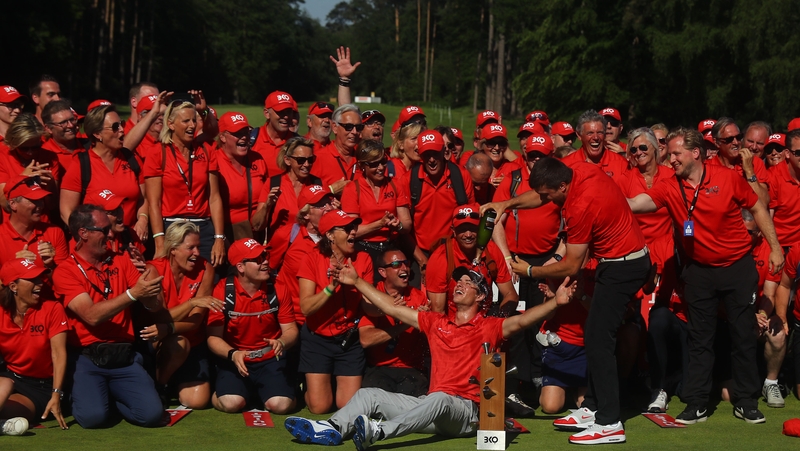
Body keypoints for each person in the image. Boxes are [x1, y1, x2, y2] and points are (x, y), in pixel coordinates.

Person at [284, 266, 576, 449]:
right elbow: (393, 309)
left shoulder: (491, 326)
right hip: (431, 408)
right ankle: (332, 429)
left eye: (468, 282)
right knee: (368, 395)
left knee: (439, 398)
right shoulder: (437, 322)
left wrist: (555, 303)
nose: (458, 284)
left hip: (466, 413)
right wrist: (357, 280)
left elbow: (524, 321)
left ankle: (379, 432)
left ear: (481, 297)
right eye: (457, 280)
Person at [481, 156, 650, 444]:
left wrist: (531, 271)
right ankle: (595, 408)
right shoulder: (577, 171)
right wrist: (505, 204)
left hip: (624, 267)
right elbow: (541, 193)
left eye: (549, 195)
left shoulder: (579, 206)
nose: (545, 199)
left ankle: (610, 423)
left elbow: (571, 265)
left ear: (561, 186)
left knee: (599, 338)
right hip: (619, 260)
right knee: (596, 337)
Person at [626, 127, 783, 425]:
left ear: (694, 153)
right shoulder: (670, 186)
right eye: (668, 154)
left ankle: (747, 402)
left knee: (743, 337)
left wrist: (774, 246)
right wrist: (611, 199)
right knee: (699, 339)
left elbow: (757, 208)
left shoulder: (726, 177)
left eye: (675, 153)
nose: (669, 159)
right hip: (698, 271)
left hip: (737, 268)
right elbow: (639, 204)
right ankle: (696, 403)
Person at [53, 205, 166, 428]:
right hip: (87, 356)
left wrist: (149, 279)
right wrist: (133, 294)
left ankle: (114, 396)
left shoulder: (121, 259)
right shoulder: (66, 270)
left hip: (123, 355)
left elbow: (153, 307)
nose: (111, 234)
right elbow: (91, 316)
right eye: (104, 230)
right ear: (83, 233)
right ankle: (101, 397)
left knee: (152, 416)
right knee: (93, 419)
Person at [491, 132, 562, 403]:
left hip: (546, 260)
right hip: (515, 259)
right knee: (514, 321)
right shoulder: (512, 180)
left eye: (540, 156)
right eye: (531, 155)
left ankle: (541, 376)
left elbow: (568, 226)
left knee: (542, 321)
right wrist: (507, 259)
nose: (534, 160)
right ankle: (517, 382)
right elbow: (496, 217)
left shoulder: (558, 184)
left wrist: (555, 259)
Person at [207, 238, 298, 414]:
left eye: (265, 256)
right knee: (231, 403)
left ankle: (271, 391)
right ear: (240, 267)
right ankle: (227, 391)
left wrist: (282, 342)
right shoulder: (223, 290)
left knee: (281, 406)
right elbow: (213, 337)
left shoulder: (278, 287)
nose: (265, 262)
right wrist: (233, 354)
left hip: (271, 359)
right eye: (257, 259)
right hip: (236, 360)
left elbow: (291, 330)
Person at [297, 210, 373, 414]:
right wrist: (332, 286)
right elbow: (305, 307)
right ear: (329, 235)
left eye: (354, 227)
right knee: (319, 407)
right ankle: (312, 389)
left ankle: (326, 383)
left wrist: (359, 284)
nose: (353, 232)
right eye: (347, 229)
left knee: (347, 407)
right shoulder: (311, 259)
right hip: (317, 338)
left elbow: (368, 306)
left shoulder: (363, 259)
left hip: (348, 339)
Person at [60, 100, 163, 242]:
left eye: (121, 124)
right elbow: (67, 211)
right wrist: (90, 237)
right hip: (96, 244)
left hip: (131, 242)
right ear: (97, 134)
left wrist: (143, 220)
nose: (121, 130)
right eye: (115, 127)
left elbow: (142, 199)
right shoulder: (81, 164)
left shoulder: (131, 159)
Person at [145, 221, 220, 409]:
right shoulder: (153, 269)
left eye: (198, 247)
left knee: (197, 401)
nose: (196, 253)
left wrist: (168, 327)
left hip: (192, 341)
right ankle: (160, 384)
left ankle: (168, 381)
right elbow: (159, 318)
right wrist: (192, 302)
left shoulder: (205, 268)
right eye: (190, 248)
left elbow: (196, 321)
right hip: (159, 340)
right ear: (173, 249)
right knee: (178, 343)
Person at [144, 95, 226, 266]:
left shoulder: (206, 150)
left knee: (208, 277)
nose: (192, 126)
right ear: (171, 124)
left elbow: (214, 197)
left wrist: (219, 238)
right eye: (186, 121)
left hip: (202, 227)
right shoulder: (157, 152)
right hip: (172, 227)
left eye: (194, 120)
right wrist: (159, 242)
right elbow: (154, 203)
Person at [0, 258, 69, 432]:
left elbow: (58, 354)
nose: (40, 283)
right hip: (11, 377)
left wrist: (56, 394)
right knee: (5, 384)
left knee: (13, 413)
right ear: (13, 287)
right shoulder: (2, 311)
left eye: (39, 278)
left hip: (40, 388)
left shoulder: (52, 308)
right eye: (32, 279)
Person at [358, 248, 430, 397]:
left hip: (411, 368)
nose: (405, 268)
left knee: (416, 405)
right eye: (397, 264)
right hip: (380, 368)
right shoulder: (374, 296)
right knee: (374, 403)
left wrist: (426, 320)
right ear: (383, 272)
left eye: (406, 263)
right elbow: (366, 339)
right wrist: (408, 321)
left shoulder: (418, 297)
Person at [403, 130, 474, 273]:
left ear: (444, 151)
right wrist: (421, 259)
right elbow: (402, 229)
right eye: (427, 154)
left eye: (435, 153)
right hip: (419, 254)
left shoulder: (460, 176)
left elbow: (470, 217)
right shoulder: (409, 180)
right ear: (420, 155)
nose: (431, 159)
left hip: (453, 252)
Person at [425, 203, 517, 314]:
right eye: (462, 229)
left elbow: (511, 295)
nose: (468, 234)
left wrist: (498, 320)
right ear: (453, 230)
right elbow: (438, 313)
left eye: (473, 228)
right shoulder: (440, 258)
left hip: (485, 321)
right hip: (454, 324)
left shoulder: (491, 250)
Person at [341, 139, 411, 275]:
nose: (380, 168)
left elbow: (407, 224)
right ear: (362, 166)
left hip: (390, 247)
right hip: (363, 249)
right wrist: (380, 224)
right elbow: (350, 231)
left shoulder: (395, 184)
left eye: (383, 162)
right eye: (374, 164)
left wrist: (398, 226)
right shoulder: (352, 189)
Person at [263, 137, 322, 271]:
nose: (306, 164)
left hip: (310, 253)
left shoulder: (317, 184)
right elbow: (257, 225)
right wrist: (266, 206)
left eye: (310, 159)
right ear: (287, 160)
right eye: (301, 160)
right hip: (281, 255)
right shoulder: (274, 184)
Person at [214, 112, 269, 242]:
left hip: (256, 234)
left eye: (246, 132)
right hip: (227, 235)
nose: (244, 137)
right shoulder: (214, 160)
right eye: (237, 134)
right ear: (222, 137)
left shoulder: (257, 159)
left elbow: (265, 192)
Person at [0, 176, 68, 270]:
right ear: (13, 204)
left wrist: (50, 265)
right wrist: (13, 267)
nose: (40, 205)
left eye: (41, 200)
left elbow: (64, 281)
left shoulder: (54, 232)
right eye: (34, 200)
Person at [0, 114, 60, 217]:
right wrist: (22, 178)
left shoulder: (50, 158)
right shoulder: (3, 156)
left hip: (42, 223)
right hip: (12, 226)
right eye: (24, 148)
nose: (30, 152)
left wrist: (51, 186)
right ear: (14, 143)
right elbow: (5, 203)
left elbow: (52, 205)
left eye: (36, 147)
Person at [709, 117, 770, 206]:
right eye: (729, 139)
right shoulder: (707, 168)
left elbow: (764, 201)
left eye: (738, 137)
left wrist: (749, 171)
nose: (736, 142)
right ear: (717, 142)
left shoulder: (755, 163)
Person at [561, 110, 630, 182]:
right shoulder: (566, 165)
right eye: (590, 133)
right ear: (579, 135)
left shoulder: (621, 164)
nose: (596, 137)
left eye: (600, 132)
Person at [316, 104, 362, 196]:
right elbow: (306, 196)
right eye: (348, 127)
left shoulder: (363, 157)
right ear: (334, 127)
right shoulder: (318, 158)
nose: (354, 132)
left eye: (358, 127)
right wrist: (331, 191)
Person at [252, 91, 298, 178]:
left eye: (288, 111)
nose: (286, 116)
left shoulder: (298, 143)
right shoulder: (251, 141)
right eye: (280, 112)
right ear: (266, 113)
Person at [767, 130, 800, 248]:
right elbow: (767, 219)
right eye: (799, 153)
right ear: (787, 153)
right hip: (781, 246)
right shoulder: (773, 177)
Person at [40, 100, 84, 175]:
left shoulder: (90, 145)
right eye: (63, 123)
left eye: (72, 120)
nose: (70, 125)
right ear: (48, 128)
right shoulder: (44, 156)